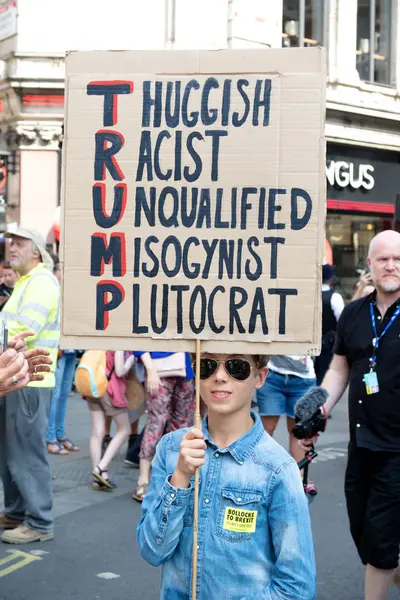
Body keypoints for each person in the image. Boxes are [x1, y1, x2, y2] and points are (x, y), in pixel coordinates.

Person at [137, 353, 316, 599]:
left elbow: (296, 587)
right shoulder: (171, 448)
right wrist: (179, 478)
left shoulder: (278, 468)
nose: (219, 377)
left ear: (260, 376)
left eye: (236, 367)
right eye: (207, 366)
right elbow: (152, 551)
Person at [301, 229, 400, 600]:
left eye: (397, 259)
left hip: (397, 449)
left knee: (379, 539)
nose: (390, 265)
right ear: (370, 265)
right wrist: (319, 409)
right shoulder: (355, 314)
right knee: (364, 533)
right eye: (383, 259)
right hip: (362, 447)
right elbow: (340, 368)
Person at [0, 227, 60, 544]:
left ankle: (38, 521)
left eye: (19, 243)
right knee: (12, 450)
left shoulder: (40, 283)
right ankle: (16, 511)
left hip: (30, 382)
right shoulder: (29, 283)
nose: (12, 247)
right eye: (11, 242)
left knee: (26, 452)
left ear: (36, 250)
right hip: (20, 379)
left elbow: (22, 332)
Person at [132, 351, 195, 503]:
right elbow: (139, 338)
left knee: (181, 425)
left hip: (185, 369)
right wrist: (150, 369)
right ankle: (143, 479)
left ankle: (174, 477)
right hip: (160, 368)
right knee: (156, 422)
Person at [46, 256, 78, 455]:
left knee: (64, 394)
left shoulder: (73, 292)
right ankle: (50, 437)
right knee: (56, 395)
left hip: (71, 348)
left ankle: (59, 434)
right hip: (57, 348)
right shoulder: (52, 290)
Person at [87, 351, 132, 490]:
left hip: (92, 385)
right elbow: (119, 371)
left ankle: (98, 477)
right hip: (110, 389)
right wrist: (130, 360)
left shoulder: (98, 340)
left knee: (97, 432)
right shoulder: (118, 343)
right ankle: (101, 467)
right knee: (124, 429)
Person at [314, 264, 344, 385]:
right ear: (331, 279)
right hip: (328, 341)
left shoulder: (310, 296)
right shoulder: (334, 297)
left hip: (308, 340)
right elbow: (342, 322)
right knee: (324, 373)